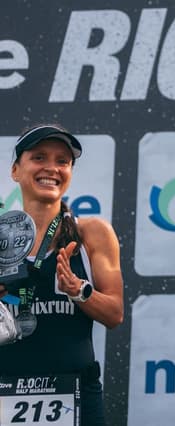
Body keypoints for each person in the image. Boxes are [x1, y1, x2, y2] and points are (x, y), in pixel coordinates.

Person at [0, 124, 124, 426]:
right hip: (6, 391)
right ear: (16, 170)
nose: (51, 168)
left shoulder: (92, 232)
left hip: (76, 392)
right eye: (39, 157)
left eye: (62, 161)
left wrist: (79, 291)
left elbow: (114, 314)